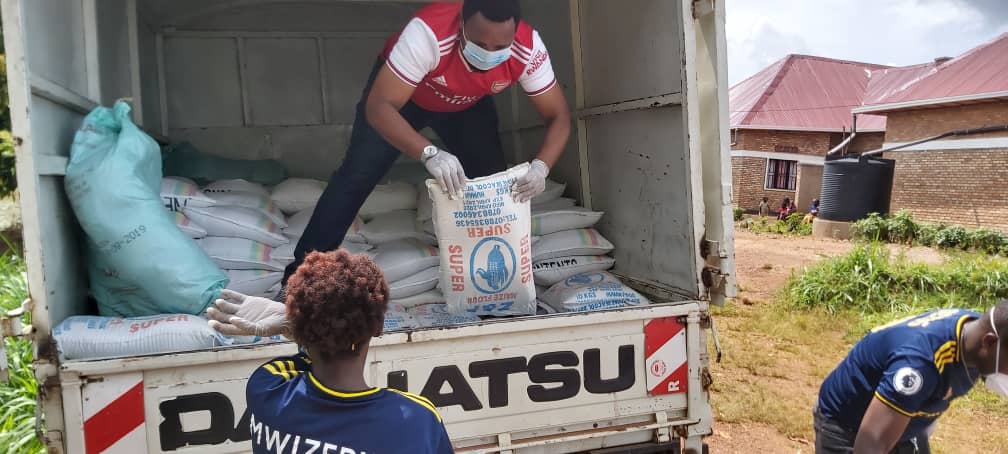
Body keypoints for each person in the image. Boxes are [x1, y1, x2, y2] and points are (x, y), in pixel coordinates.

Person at [283, 0, 571, 286]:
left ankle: (492, 287)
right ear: (461, 26)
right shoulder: (428, 34)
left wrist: (541, 167)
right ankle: (302, 282)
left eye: (500, 48)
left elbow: (558, 115)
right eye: (480, 44)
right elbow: (379, 107)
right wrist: (429, 153)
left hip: (467, 106)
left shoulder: (528, 47)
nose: (489, 54)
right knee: (356, 176)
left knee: (490, 185)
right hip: (403, 100)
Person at [208, 251, 454, 453]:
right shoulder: (417, 421)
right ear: (378, 328)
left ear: (297, 326)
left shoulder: (267, 388)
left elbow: (302, 358)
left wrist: (297, 322)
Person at [814, 300, 1008, 453]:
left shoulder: (974, 334)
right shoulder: (919, 364)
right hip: (850, 427)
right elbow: (870, 444)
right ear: (989, 343)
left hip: (904, 424)